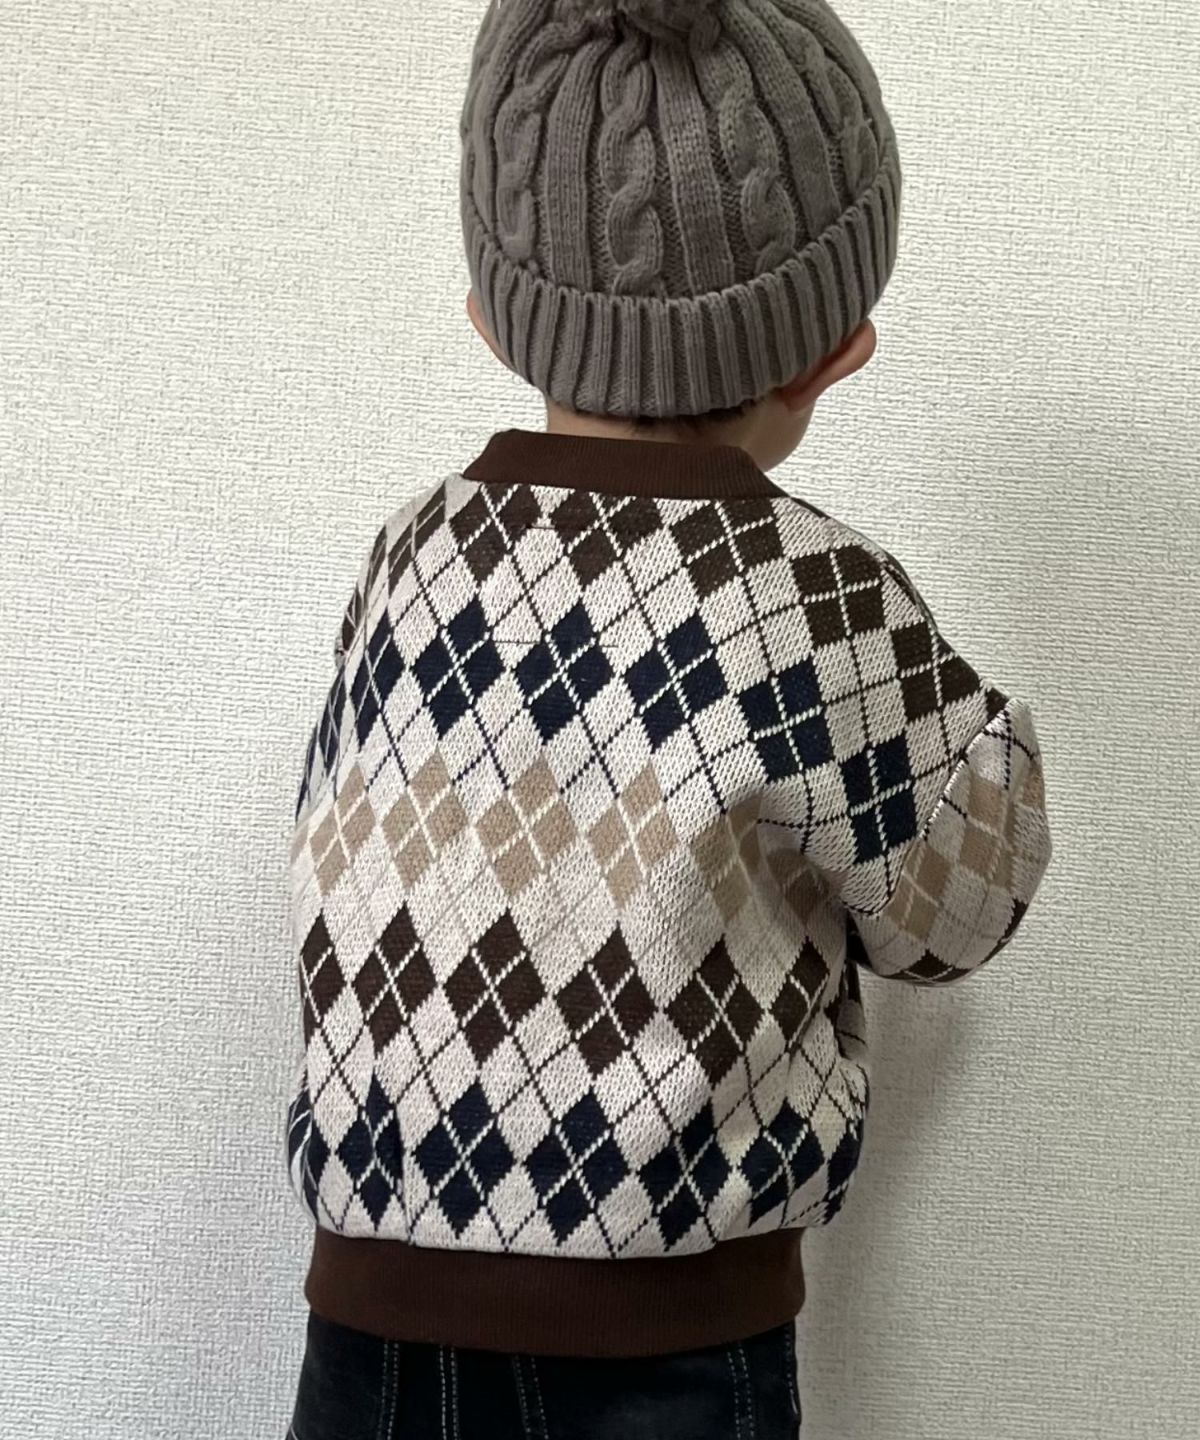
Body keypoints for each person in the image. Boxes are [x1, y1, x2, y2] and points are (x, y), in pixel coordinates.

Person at [283, 2, 1054, 1435]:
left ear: (491, 315)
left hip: (367, 1334)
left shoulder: (405, 562)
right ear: (835, 351)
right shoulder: (809, 595)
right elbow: (956, 914)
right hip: (671, 1352)